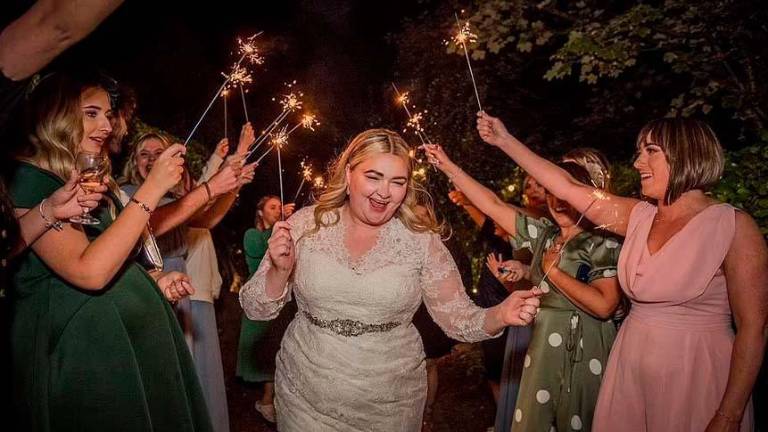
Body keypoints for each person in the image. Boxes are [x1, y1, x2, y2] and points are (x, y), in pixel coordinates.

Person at [476, 112, 768, 431]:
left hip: (695, 375)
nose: (638, 163)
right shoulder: (636, 216)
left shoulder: (734, 227)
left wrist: (729, 414)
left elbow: (754, 329)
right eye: (639, 152)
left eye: (650, 151)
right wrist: (504, 140)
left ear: (686, 153)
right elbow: (567, 186)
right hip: (629, 370)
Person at [239, 128, 541, 431]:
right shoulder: (306, 224)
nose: (385, 192)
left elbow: (456, 318)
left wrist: (500, 314)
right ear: (348, 174)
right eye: (373, 177)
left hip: (388, 402)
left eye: (398, 182)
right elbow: (255, 308)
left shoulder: (420, 240)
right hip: (305, 394)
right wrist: (279, 271)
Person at [7, 72, 212, 431]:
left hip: (124, 346)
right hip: (83, 355)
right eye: (91, 113)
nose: (106, 125)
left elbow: (113, 255)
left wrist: (153, 281)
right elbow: (89, 272)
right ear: (56, 114)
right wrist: (152, 189)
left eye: (107, 114)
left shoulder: (84, 180)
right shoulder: (31, 180)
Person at [423, 143, 622, 432]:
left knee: (579, 419)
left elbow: (605, 305)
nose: (558, 202)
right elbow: (493, 205)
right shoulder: (544, 234)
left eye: (565, 194)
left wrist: (554, 272)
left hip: (585, 347)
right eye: (552, 193)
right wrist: (448, 165)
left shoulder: (602, 242)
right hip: (542, 344)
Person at [121, 128, 254, 432]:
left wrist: (232, 188)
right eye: (144, 154)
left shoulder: (173, 197)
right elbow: (152, 223)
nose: (151, 159)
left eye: (158, 154)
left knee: (185, 366)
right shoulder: (129, 193)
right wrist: (212, 186)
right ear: (133, 161)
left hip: (180, 283)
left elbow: (205, 221)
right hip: (150, 281)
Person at [237, 195, 296, 423]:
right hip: (260, 297)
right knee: (265, 351)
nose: (277, 210)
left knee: (278, 347)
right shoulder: (252, 235)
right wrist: (277, 227)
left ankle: (278, 401)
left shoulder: (283, 233)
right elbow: (263, 248)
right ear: (260, 212)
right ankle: (266, 401)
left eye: (280, 207)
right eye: (272, 207)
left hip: (281, 298)